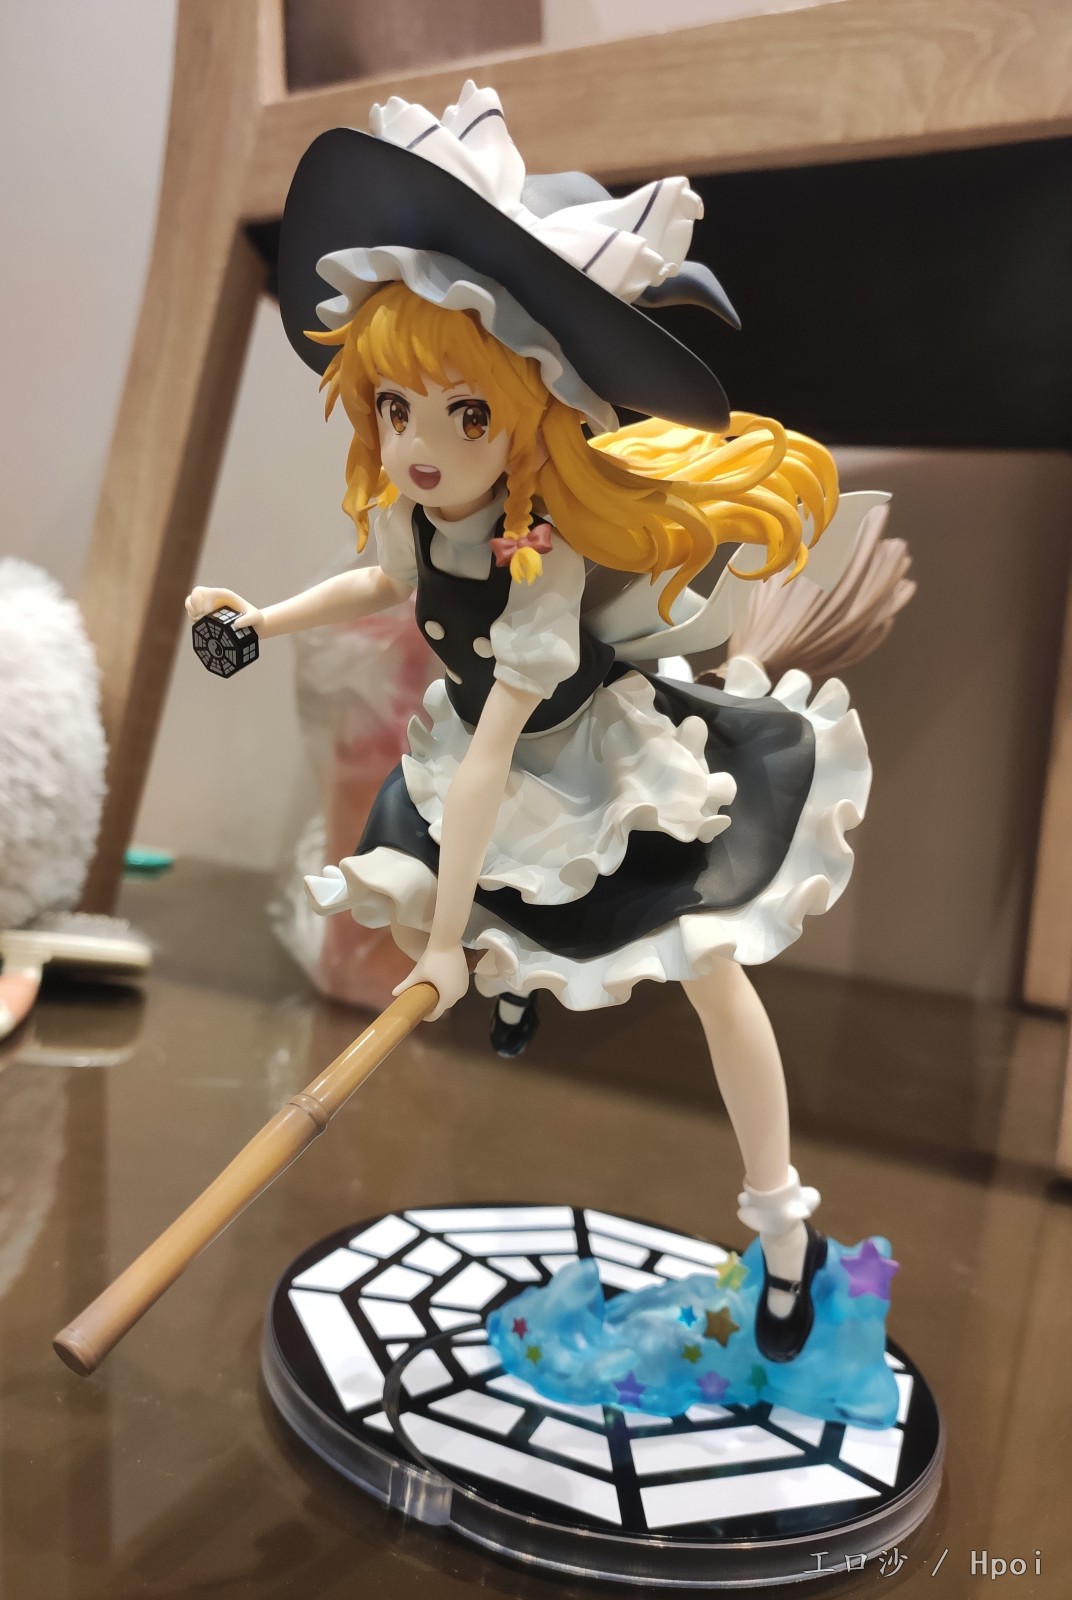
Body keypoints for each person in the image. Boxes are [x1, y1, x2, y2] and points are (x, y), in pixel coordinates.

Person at [186, 83, 881, 1365]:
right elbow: (381, 579)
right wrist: (264, 619)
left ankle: (785, 1226)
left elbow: (502, 751)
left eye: (467, 414)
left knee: (708, 962)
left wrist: (447, 951)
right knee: (435, 890)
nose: (421, 446)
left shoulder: (539, 558)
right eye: (396, 410)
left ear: (531, 413)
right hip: (477, 762)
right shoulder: (419, 510)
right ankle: (512, 976)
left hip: (590, 765)